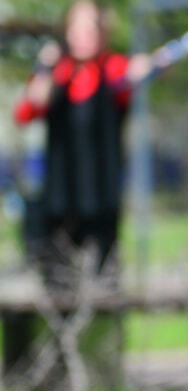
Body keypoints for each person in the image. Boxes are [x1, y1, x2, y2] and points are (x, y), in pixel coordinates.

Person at [13, 0, 157, 285]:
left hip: (102, 196)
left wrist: (150, 66)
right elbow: (26, 110)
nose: (83, 34)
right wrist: (43, 67)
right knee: (57, 277)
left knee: (104, 278)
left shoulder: (113, 68)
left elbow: (139, 74)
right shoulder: (57, 73)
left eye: (89, 27)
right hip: (61, 196)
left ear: (102, 32)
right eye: (76, 27)